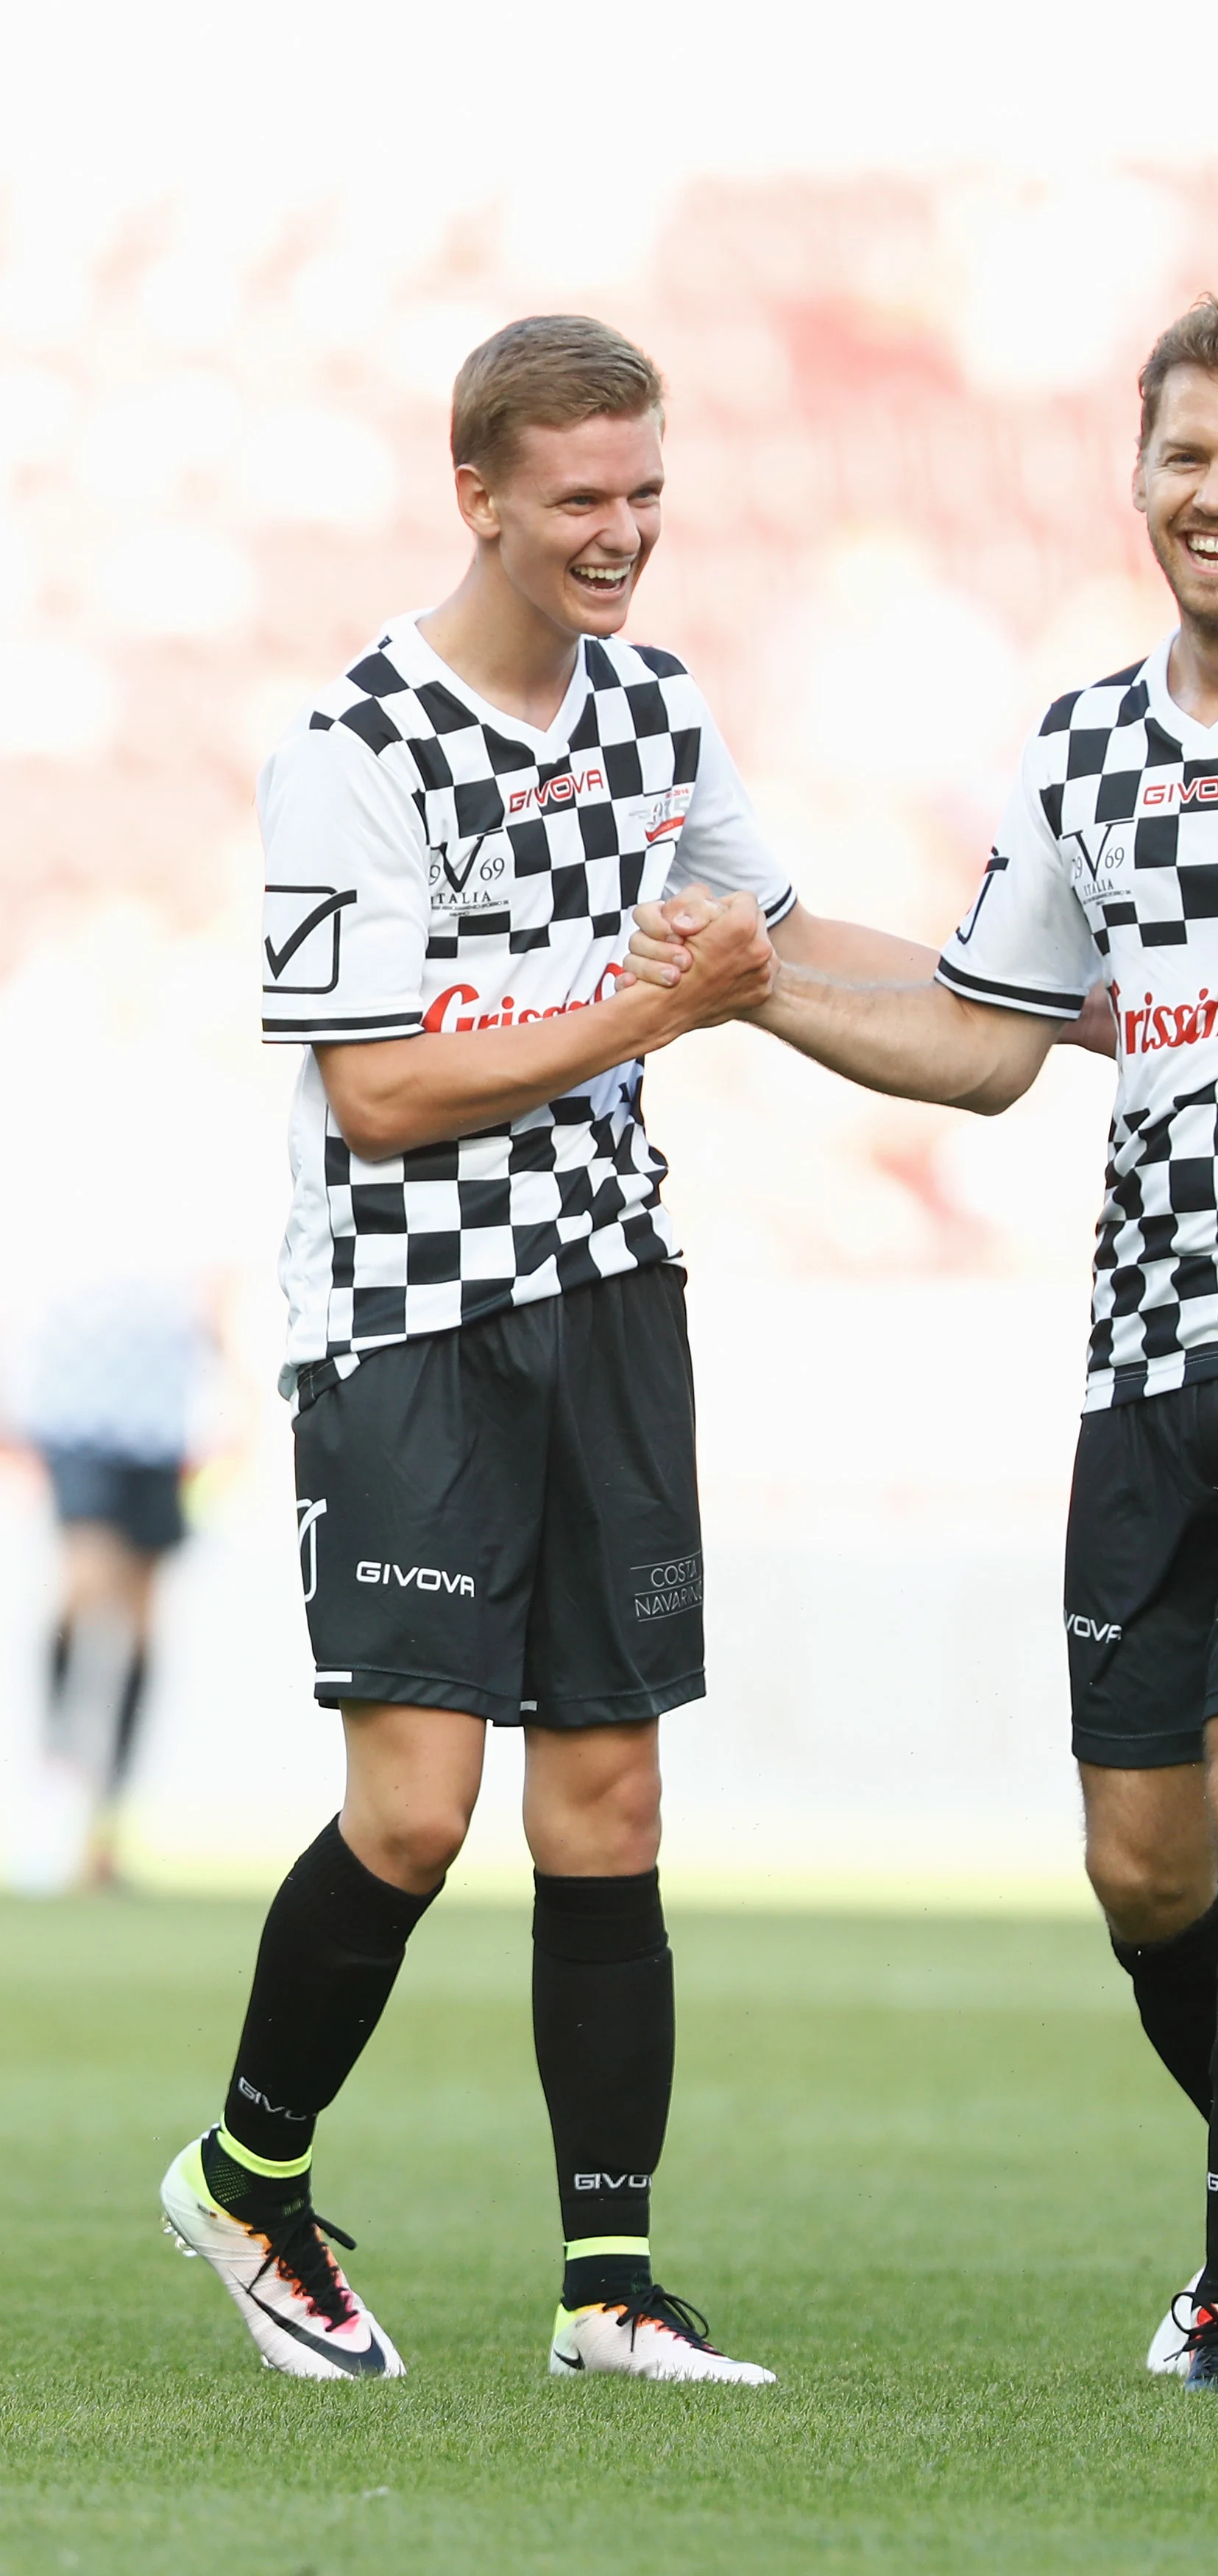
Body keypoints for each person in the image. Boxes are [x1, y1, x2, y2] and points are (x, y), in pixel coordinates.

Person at [626, 294, 1218, 2392]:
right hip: (1144, 1361)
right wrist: (747, 992)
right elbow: (984, 1041)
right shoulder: (1076, 748)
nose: (1215, 494)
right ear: (1134, 469)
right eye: (1184, 457)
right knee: (1136, 1862)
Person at [160, 314, 940, 2385]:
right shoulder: (352, 741)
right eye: (581, 498)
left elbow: (774, 938)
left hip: (605, 1298)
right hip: (409, 1319)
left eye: (646, 492)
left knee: (606, 1800)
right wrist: (654, 1015)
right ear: (479, 493)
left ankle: (608, 2285)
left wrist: (1057, 993)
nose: (621, 536)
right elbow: (380, 1091)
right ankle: (248, 2179)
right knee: (413, 1812)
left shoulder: (660, 711)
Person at [19, 1275, 205, 1889]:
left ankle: (107, 1823)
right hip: (77, 1419)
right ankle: (56, 1790)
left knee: (142, 1622)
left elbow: (216, 1295)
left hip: (160, 1426)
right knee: (86, 1589)